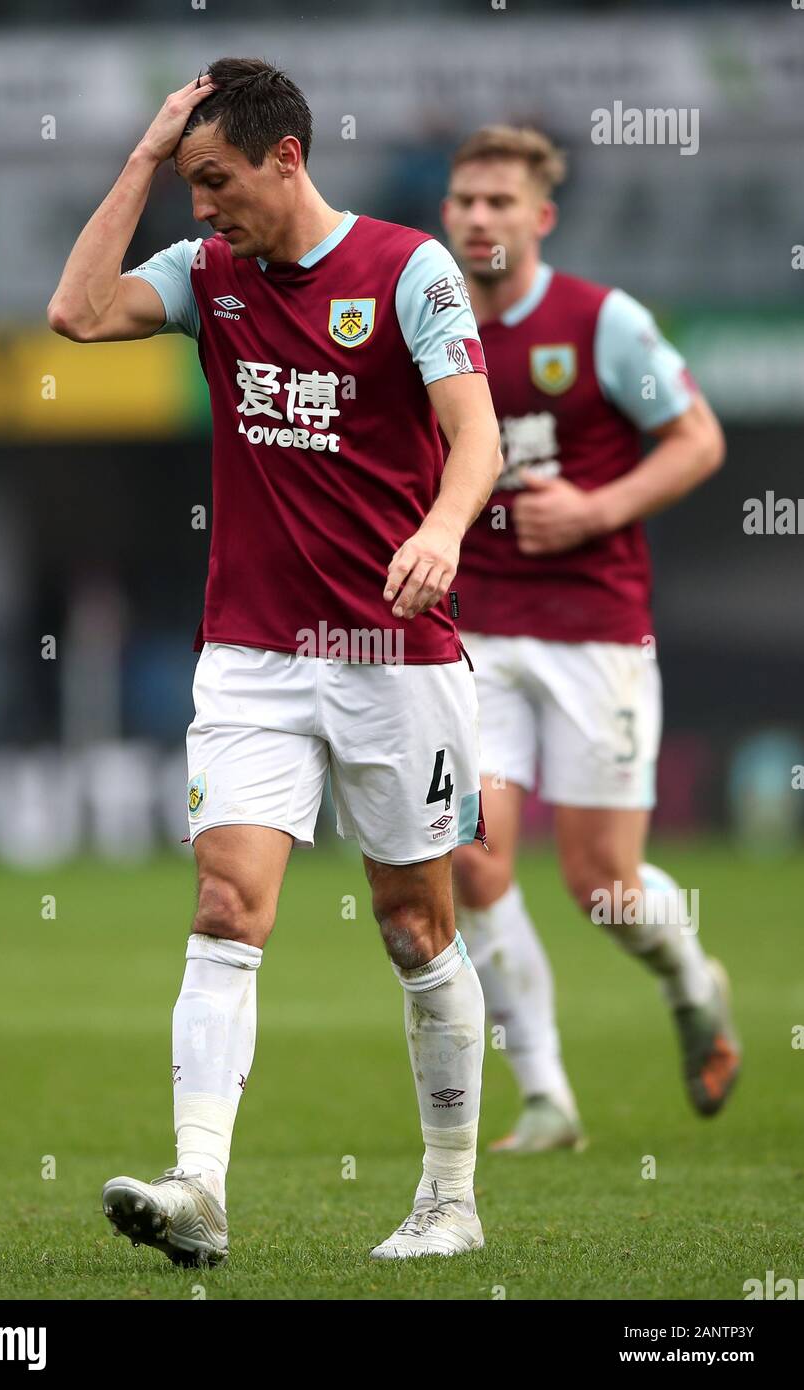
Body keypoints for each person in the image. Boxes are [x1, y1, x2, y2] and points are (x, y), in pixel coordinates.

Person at [48, 59, 502, 1263]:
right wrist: (145, 156)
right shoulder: (207, 275)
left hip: (396, 655)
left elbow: (477, 437)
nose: (201, 209)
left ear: (286, 157)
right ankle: (199, 1186)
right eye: (186, 185)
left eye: (215, 181)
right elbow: (76, 315)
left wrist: (443, 529)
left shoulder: (409, 270)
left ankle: (449, 1199)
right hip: (251, 653)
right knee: (223, 904)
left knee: (412, 923)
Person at [442, 125, 740, 1154]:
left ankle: (693, 978)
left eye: (499, 202)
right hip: (472, 632)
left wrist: (595, 509)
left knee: (603, 885)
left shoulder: (601, 323)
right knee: (472, 860)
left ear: (540, 218)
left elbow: (698, 438)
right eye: (465, 200)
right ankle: (546, 1096)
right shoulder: (429, 325)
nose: (480, 217)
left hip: (594, 632)